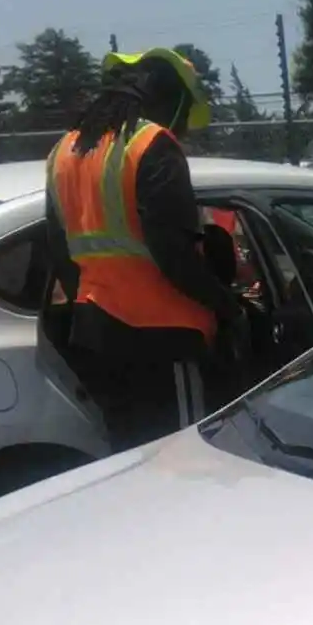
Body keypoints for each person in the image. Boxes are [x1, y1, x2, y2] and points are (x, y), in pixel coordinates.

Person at [42, 47, 249, 451]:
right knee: (183, 459)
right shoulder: (154, 145)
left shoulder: (64, 151)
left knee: (133, 460)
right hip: (165, 339)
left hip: (95, 337)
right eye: (185, 116)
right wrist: (229, 309)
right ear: (171, 101)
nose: (184, 132)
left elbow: (61, 252)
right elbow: (173, 254)